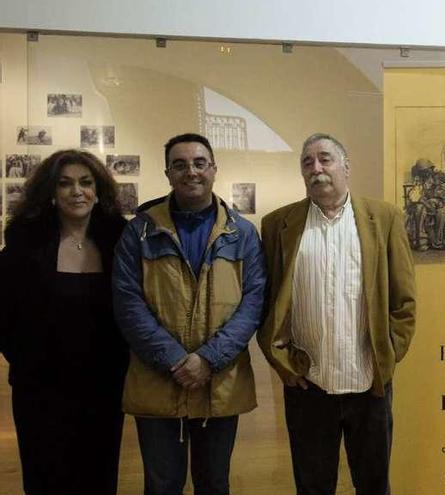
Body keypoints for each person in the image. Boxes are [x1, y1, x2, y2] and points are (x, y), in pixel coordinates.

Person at [259, 133, 416, 495]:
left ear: (346, 166)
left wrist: (388, 356)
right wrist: (280, 360)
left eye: (325, 159)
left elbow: (404, 301)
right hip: (307, 383)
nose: (316, 168)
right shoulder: (277, 225)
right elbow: (266, 302)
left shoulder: (385, 218)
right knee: (313, 486)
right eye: (307, 162)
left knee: (374, 484)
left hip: (368, 383)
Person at [112, 133, 266, 495]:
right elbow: (127, 302)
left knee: (214, 483)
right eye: (179, 165)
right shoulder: (140, 232)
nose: (190, 171)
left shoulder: (242, 234)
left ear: (213, 170)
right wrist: (175, 360)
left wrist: (208, 360)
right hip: (157, 382)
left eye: (199, 163)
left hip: (220, 385)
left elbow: (253, 302)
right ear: (167, 173)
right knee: (162, 484)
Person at [0, 149, 128, 494]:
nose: (77, 191)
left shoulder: (119, 240)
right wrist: (26, 360)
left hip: (104, 386)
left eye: (86, 183)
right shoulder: (24, 243)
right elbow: (5, 313)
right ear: (51, 193)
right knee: (45, 477)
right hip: (40, 389)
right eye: (65, 184)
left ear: (98, 190)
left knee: (98, 476)